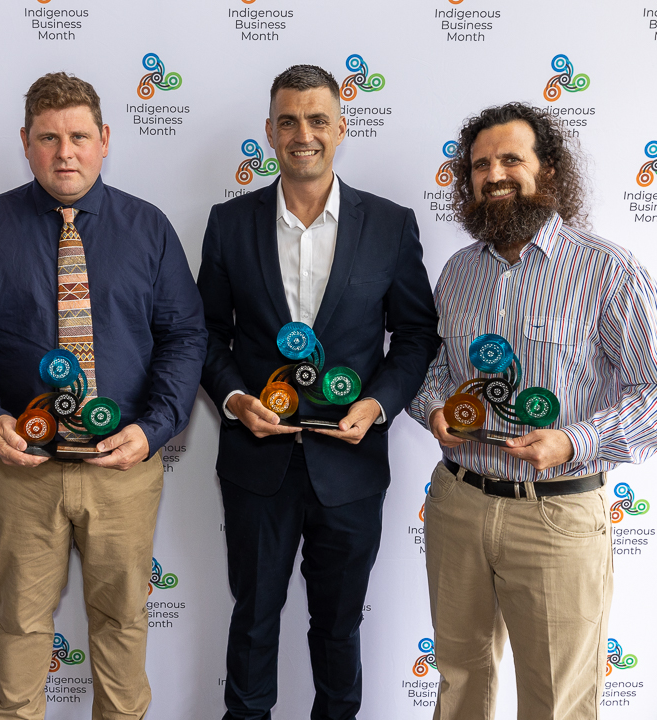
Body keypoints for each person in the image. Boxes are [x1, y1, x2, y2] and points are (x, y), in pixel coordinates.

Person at [407, 102, 657, 719]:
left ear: (548, 170)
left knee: (557, 701)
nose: (495, 174)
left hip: (557, 514)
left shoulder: (607, 268)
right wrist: (434, 405)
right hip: (458, 505)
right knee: (459, 683)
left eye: (512, 159)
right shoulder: (459, 274)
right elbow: (434, 365)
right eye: (481, 164)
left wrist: (574, 442)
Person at [0, 72, 206, 720]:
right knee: (22, 625)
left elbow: (185, 335)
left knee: (123, 624)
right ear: (26, 142)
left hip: (123, 469)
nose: (65, 152)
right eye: (48, 138)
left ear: (104, 139)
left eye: (79, 136)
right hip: (23, 470)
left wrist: (155, 428)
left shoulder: (148, 228)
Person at [197, 65, 439, 720]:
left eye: (317, 120)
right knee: (253, 618)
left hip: (351, 465)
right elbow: (205, 335)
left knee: (338, 627)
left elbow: (416, 334)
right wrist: (235, 399)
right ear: (271, 132)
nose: (303, 134)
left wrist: (379, 403)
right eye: (289, 121)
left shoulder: (389, 226)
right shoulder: (228, 223)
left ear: (341, 128)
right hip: (257, 462)